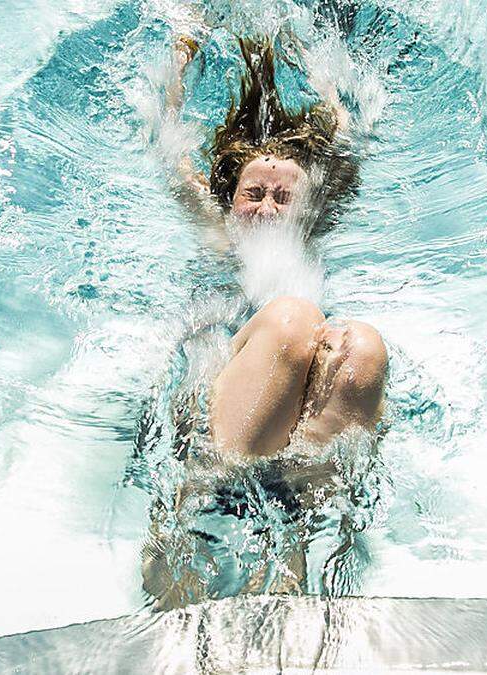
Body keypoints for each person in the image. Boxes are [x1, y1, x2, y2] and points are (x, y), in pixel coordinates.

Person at [140, 33, 388, 609]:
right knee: (291, 323)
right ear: (229, 200)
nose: (269, 206)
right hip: (209, 441)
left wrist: (323, 71)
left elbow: (352, 135)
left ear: (308, 204)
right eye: (255, 192)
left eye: (284, 195)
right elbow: (162, 144)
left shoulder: (308, 241)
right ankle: (175, 549)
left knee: (362, 350)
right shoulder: (218, 231)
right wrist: (181, 54)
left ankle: (294, 556)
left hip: (296, 457)